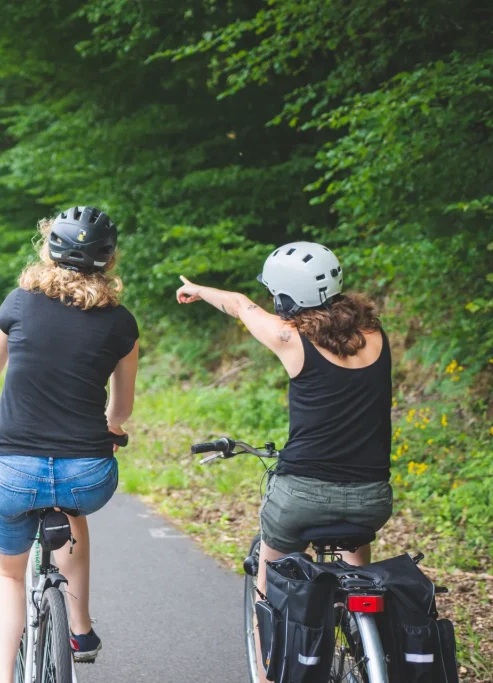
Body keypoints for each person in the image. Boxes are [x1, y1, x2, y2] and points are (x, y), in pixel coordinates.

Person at [175, 241, 392, 682]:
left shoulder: (289, 337)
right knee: (358, 562)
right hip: (373, 499)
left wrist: (198, 289)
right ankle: (372, 639)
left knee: (270, 573)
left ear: (285, 298)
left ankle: (268, 668)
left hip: (302, 496)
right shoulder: (376, 335)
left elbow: (239, 305)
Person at [0, 206, 139, 683]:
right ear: (108, 260)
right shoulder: (121, 322)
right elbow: (122, 406)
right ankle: (81, 627)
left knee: (8, 574)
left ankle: (3, 679)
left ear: (49, 250)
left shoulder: (18, 303)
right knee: (72, 511)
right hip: (88, 475)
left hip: (14, 473)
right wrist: (112, 428)